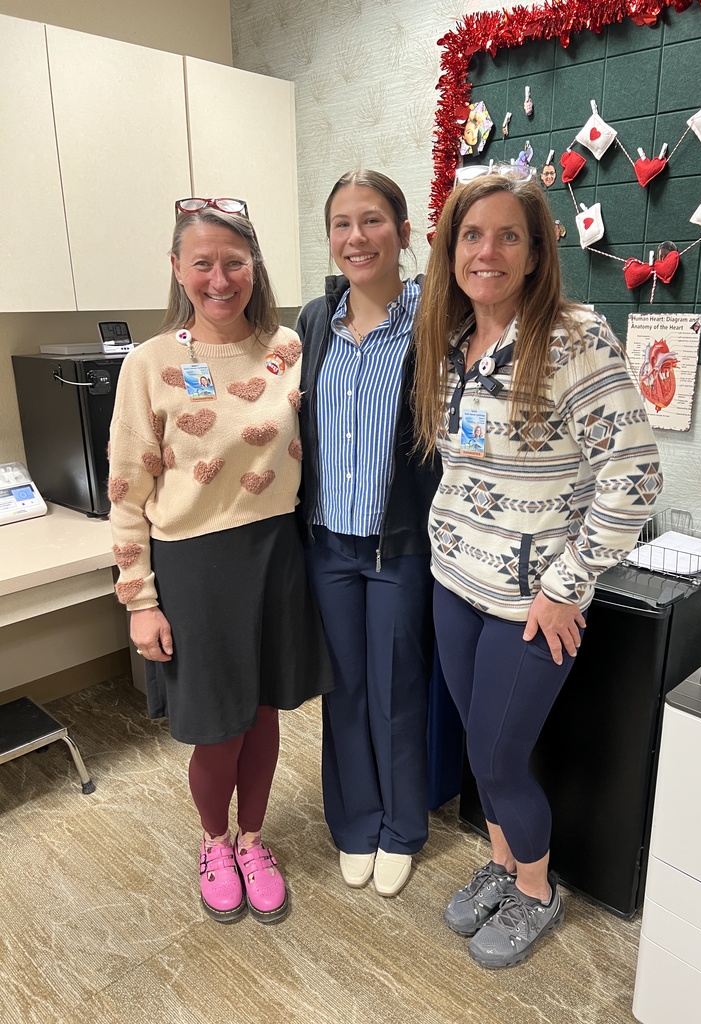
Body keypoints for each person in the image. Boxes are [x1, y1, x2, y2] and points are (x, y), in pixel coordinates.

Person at [412, 174, 662, 967]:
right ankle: (503, 859)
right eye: (472, 235)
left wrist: (568, 584)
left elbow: (635, 475)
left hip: (531, 600)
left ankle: (536, 891)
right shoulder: (450, 343)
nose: (487, 251)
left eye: (508, 235)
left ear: (535, 249)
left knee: (497, 757)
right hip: (454, 580)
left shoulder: (573, 338)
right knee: (477, 751)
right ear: (451, 249)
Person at [108, 197, 334, 925]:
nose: (219, 277)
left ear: (254, 266)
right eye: (202, 263)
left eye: (233, 262)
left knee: (263, 710)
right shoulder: (150, 364)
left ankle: (253, 841)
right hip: (193, 567)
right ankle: (214, 843)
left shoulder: (288, 347)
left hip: (275, 553)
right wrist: (139, 599)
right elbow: (127, 489)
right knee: (217, 724)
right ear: (178, 269)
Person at [296, 170, 440, 897]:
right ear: (330, 238)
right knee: (345, 688)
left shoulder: (435, 322)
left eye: (374, 220)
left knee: (396, 689)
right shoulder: (313, 322)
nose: (357, 237)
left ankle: (400, 828)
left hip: (398, 545)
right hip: (327, 544)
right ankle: (355, 823)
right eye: (342, 223)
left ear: (404, 233)